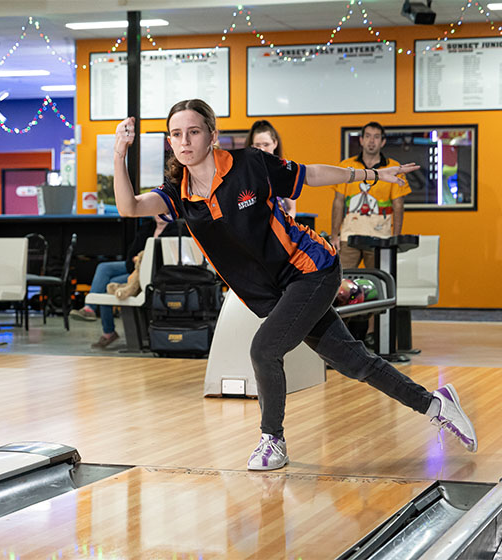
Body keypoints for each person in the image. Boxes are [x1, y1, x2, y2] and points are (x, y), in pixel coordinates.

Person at [112, 99, 477, 471]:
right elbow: (129, 206)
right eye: (176, 134)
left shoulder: (250, 163)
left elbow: (312, 174)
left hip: (310, 269)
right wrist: (120, 153)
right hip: (273, 293)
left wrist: (370, 176)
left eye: (193, 131)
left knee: (264, 350)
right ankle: (437, 404)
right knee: (353, 362)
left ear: (212, 135)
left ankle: (273, 440)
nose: (185, 141)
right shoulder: (178, 191)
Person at [70, 215, 182, 348]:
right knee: (103, 268)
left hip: (150, 272)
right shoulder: (147, 227)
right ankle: (89, 308)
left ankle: (108, 332)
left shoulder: (176, 230)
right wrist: (135, 260)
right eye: (157, 211)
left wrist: (141, 260)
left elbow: (163, 258)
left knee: (108, 286)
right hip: (133, 266)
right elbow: (132, 252)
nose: (160, 215)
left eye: (165, 212)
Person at [330, 121, 410, 269]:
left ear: (383, 142)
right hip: (349, 236)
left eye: (376, 137)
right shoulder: (346, 166)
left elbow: (398, 204)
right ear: (361, 140)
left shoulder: (393, 168)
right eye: (367, 136)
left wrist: (396, 237)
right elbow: (338, 201)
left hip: (380, 238)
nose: (371, 141)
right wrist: (334, 235)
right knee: (341, 283)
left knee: (379, 282)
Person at [246, 119, 296, 218]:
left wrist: (283, 229)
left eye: (266, 144)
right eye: (257, 145)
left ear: (275, 143)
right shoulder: (245, 173)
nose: (262, 149)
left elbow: (291, 209)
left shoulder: (285, 172)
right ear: (252, 146)